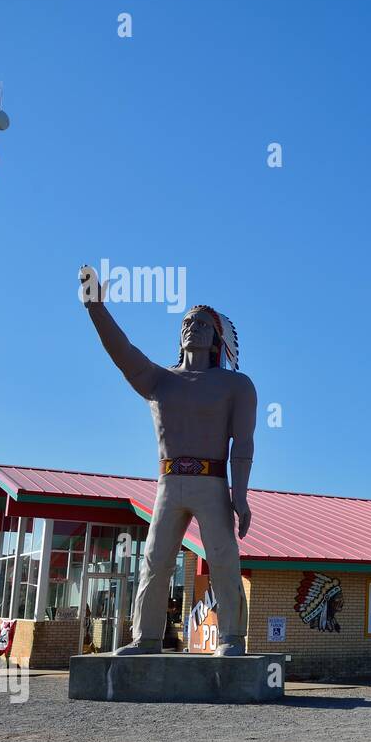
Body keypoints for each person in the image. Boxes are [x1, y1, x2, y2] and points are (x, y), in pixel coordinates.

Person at [79, 265, 256, 656]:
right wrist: (96, 308)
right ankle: (145, 639)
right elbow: (122, 353)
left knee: (224, 560)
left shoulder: (236, 385)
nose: (193, 327)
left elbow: (243, 444)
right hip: (168, 483)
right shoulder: (159, 380)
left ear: (217, 339)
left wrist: (239, 495)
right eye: (187, 322)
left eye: (203, 325)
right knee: (154, 561)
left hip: (212, 482)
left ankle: (231, 638)